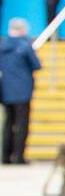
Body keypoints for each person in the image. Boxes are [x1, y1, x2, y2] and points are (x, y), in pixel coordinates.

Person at [0, 17, 42, 164]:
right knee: (22, 124)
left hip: (5, 90)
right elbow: (36, 65)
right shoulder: (25, 45)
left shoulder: (3, 45)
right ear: (22, 30)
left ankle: (5, 156)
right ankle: (19, 156)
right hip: (23, 91)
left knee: (7, 124)